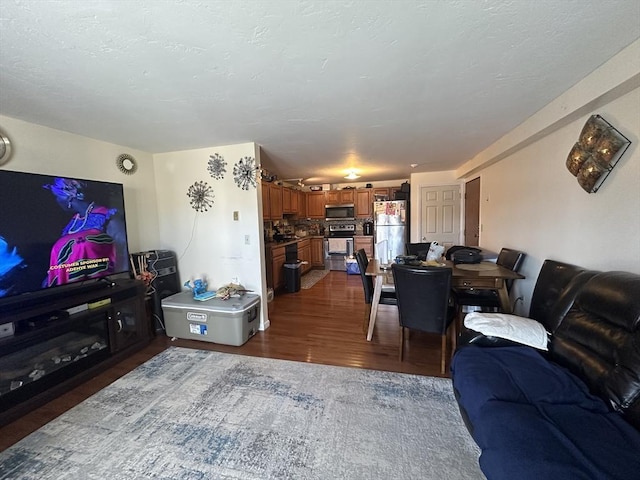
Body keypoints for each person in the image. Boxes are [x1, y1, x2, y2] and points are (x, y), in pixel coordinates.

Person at [43, 177, 127, 286]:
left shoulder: (108, 218)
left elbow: (123, 257)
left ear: (68, 197)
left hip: (101, 287)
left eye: (56, 196)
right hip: (70, 291)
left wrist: (120, 285)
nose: (56, 201)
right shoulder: (72, 224)